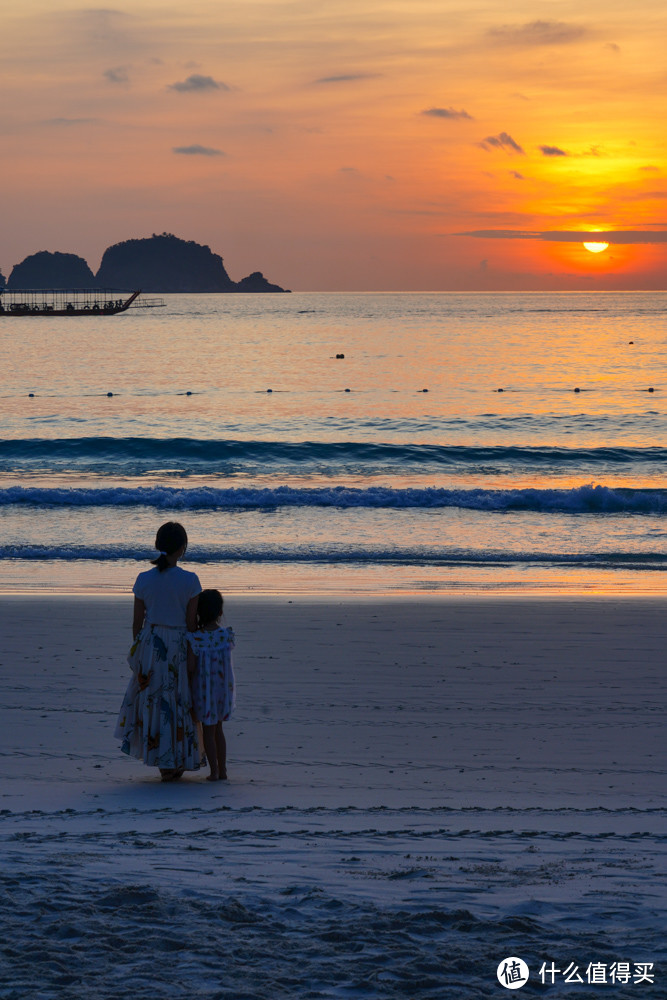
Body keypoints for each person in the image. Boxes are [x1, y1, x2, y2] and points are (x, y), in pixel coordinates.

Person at [115, 521, 203, 781]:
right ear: (182, 548)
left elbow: (136, 623)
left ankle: (164, 762)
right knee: (177, 701)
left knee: (154, 703)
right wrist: (192, 655)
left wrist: (138, 651)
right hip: (177, 643)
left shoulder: (144, 579)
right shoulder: (190, 580)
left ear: (158, 545)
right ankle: (176, 760)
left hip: (151, 643)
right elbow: (191, 625)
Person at [187, 589, 236, 781]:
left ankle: (214, 771)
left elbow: (191, 667)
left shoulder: (196, 638)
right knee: (219, 730)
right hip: (223, 690)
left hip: (203, 691)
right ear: (220, 613)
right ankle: (223, 770)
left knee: (208, 731)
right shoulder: (226, 636)